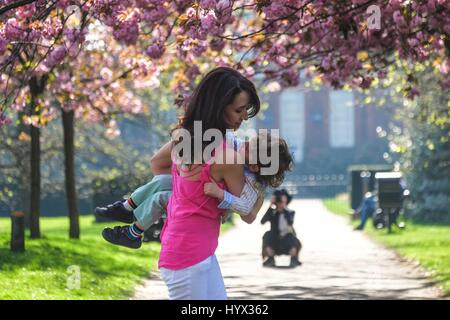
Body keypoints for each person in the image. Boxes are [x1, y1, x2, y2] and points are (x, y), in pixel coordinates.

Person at [95, 66, 260, 249]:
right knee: (162, 186)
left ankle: (128, 215)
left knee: (161, 185)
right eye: (239, 110)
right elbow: (249, 214)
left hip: (189, 230)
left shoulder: (193, 136)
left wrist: (188, 191)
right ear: (219, 107)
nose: (245, 117)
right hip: (193, 234)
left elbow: (157, 163)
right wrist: (187, 193)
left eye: (247, 109)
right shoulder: (224, 146)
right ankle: (127, 212)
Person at [261, 189, 302, 268]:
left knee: (292, 237)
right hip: (275, 241)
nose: (279, 201)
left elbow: (290, 222)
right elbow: (262, 222)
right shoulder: (272, 212)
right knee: (267, 235)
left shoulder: (290, 212)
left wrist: (283, 207)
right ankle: (270, 258)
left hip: (287, 241)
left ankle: (294, 258)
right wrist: (271, 205)